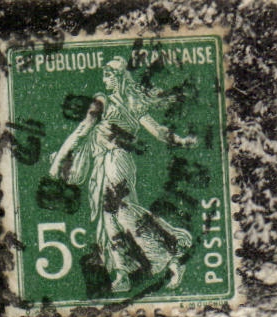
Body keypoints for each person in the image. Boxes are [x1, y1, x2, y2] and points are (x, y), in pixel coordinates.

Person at [47, 57, 198, 294]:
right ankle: (123, 274)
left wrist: (58, 161)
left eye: (108, 75)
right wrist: (181, 141)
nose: (104, 80)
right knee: (109, 219)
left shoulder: (106, 101)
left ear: (118, 77)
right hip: (104, 163)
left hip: (116, 160)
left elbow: (84, 128)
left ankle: (170, 251)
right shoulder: (131, 103)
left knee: (122, 210)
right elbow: (157, 132)